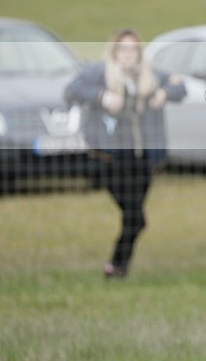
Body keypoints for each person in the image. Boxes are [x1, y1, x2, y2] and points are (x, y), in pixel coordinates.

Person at [65, 28, 186, 279]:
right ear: (114, 51)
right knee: (136, 218)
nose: (128, 54)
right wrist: (101, 96)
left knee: (134, 219)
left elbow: (179, 87)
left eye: (133, 49)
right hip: (110, 159)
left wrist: (163, 93)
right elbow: (72, 89)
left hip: (142, 159)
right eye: (123, 48)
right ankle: (116, 266)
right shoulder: (99, 73)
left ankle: (118, 268)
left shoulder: (150, 75)